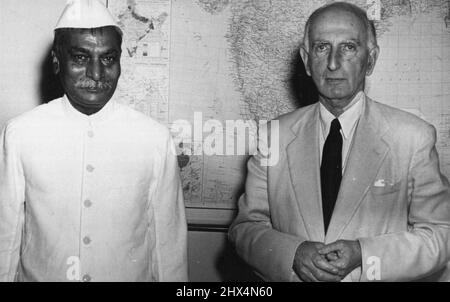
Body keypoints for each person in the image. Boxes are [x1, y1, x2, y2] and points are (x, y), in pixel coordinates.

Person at [229, 1, 450, 282]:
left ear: (370, 60)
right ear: (307, 60)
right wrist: (293, 254)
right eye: (322, 47)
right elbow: (246, 227)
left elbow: (441, 234)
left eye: (348, 47)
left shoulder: (412, 137)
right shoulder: (273, 136)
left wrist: (364, 254)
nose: (333, 63)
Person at [0, 0, 188, 282]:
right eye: (80, 57)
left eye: (108, 59)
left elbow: (168, 246)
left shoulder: (154, 139)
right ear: (56, 61)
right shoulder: (21, 133)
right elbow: (6, 236)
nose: (97, 74)